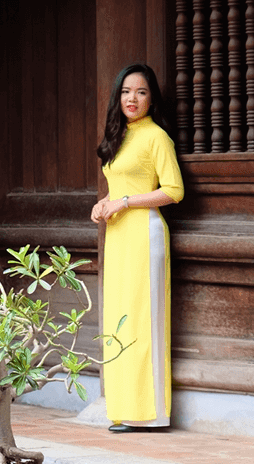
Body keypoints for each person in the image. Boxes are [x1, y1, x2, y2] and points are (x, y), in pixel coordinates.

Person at [91, 63, 184, 433]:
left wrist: (125, 202)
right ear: (118, 96)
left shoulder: (156, 137)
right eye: (127, 91)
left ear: (151, 98)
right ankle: (125, 409)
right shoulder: (119, 136)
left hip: (146, 237)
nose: (133, 98)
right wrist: (104, 202)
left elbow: (174, 191)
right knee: (121, 320)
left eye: (141, 92)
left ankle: (151, 413)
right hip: (119, 237)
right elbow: (119, 187)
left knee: (144, 322)